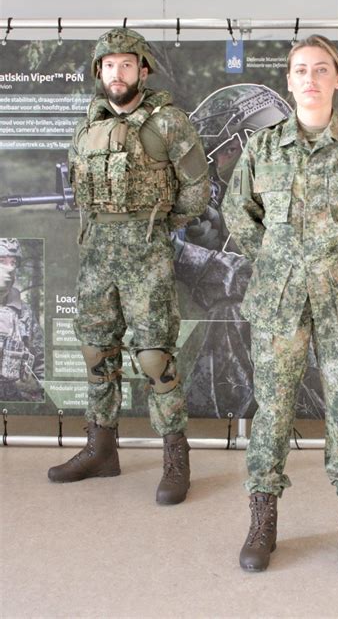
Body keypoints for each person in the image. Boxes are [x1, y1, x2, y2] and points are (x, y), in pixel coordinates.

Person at [222, 35, 338, 572]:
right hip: (279, 300)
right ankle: (262, 520)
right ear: (289, 79)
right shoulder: (263, 148)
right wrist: (277, 259)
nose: (310, 78)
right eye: (300, 69)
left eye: (321, 69)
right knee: (273, 410)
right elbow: (238, 212)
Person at [47, 28, 210, 505]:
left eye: (126, 64)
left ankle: (175, 458)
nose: (117, 73)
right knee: (96, 351)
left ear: (143, 70)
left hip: (146, 255)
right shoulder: (89, 124)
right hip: (97, 252)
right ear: (99, 72)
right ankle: (101, 448)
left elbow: (197, 190)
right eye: (108, 65)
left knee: (155, 358)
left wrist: (157, 226)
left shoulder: (168, 122)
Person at [0, 238, 44, 402]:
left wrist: (39, 389)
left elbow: (41, 363)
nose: (10, 268)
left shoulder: (24, 313)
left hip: (15, 403)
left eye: (13, 263)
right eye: (2, 261)